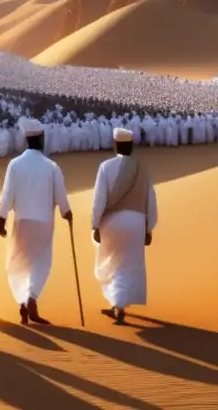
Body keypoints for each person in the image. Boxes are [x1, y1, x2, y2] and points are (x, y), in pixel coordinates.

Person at [0, 118, 71, 325]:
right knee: (40, 263)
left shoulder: (15, 164)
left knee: (19, 262)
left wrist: (1, 218)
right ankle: (31, 297)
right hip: (44, 223)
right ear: (41, 138)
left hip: (22, 222)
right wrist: (67, 212)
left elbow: (7, 194)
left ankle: (21, 301)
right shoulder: (51, 166)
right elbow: (60, 196)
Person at [91, 127, 158, 325]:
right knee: (129, 264)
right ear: (131, 147)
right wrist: (149, 228)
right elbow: (151, 201)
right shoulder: (142, 169)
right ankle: (118, 302)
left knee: (113, 262)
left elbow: (98, 200)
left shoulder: (106, 167)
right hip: (137, 222)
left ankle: (118, 304)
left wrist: (95, 224)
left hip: (112, 222)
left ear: (115, 145)